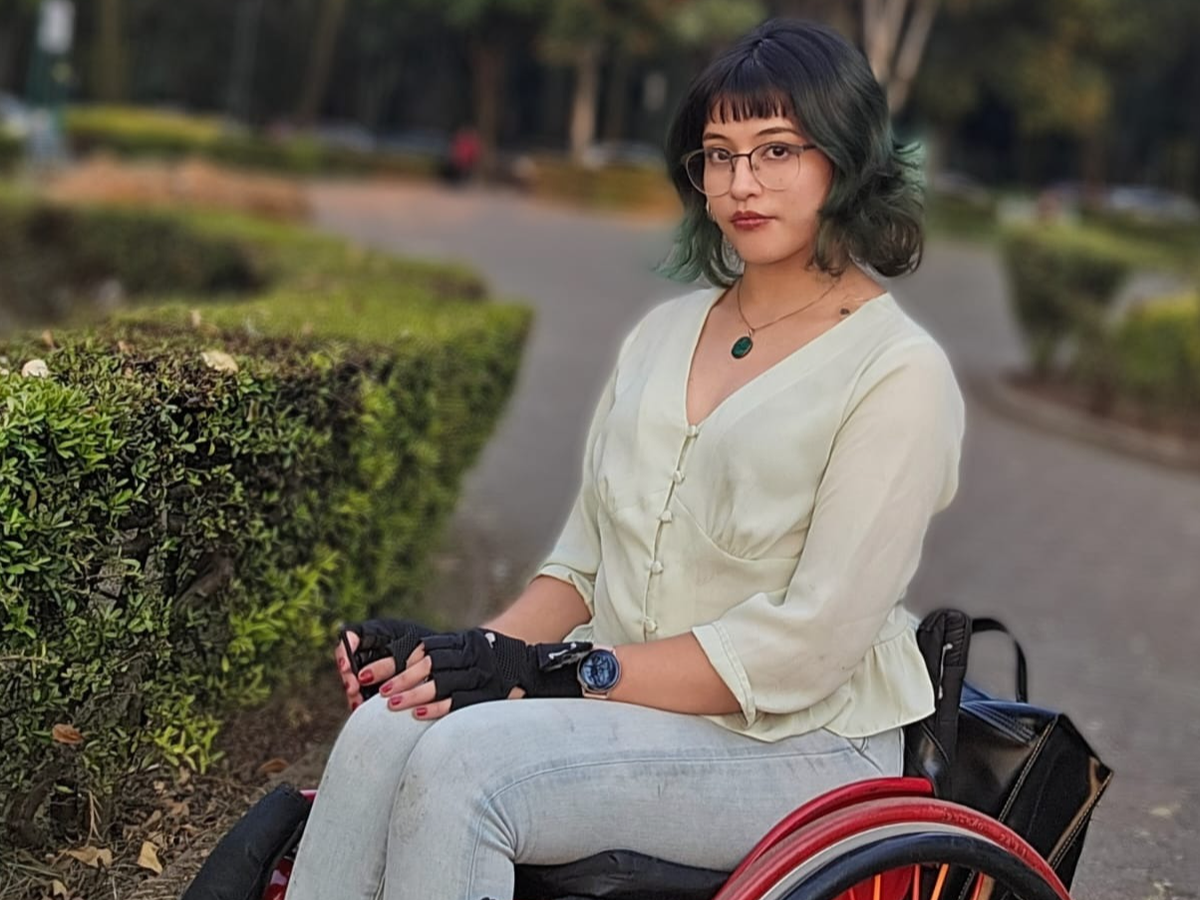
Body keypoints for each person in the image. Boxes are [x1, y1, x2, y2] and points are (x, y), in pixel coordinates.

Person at [285, 18, 964, 900]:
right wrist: (464, 655)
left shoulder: (898, 372)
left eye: (776, 151)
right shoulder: (664, 335)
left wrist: (551, 674)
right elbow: (580, 567)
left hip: (804, 746)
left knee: (467, 767)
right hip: (629, 707)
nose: (741, 183)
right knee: (388, 725)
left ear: (848, 158)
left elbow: (808, 648)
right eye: (718, 156)